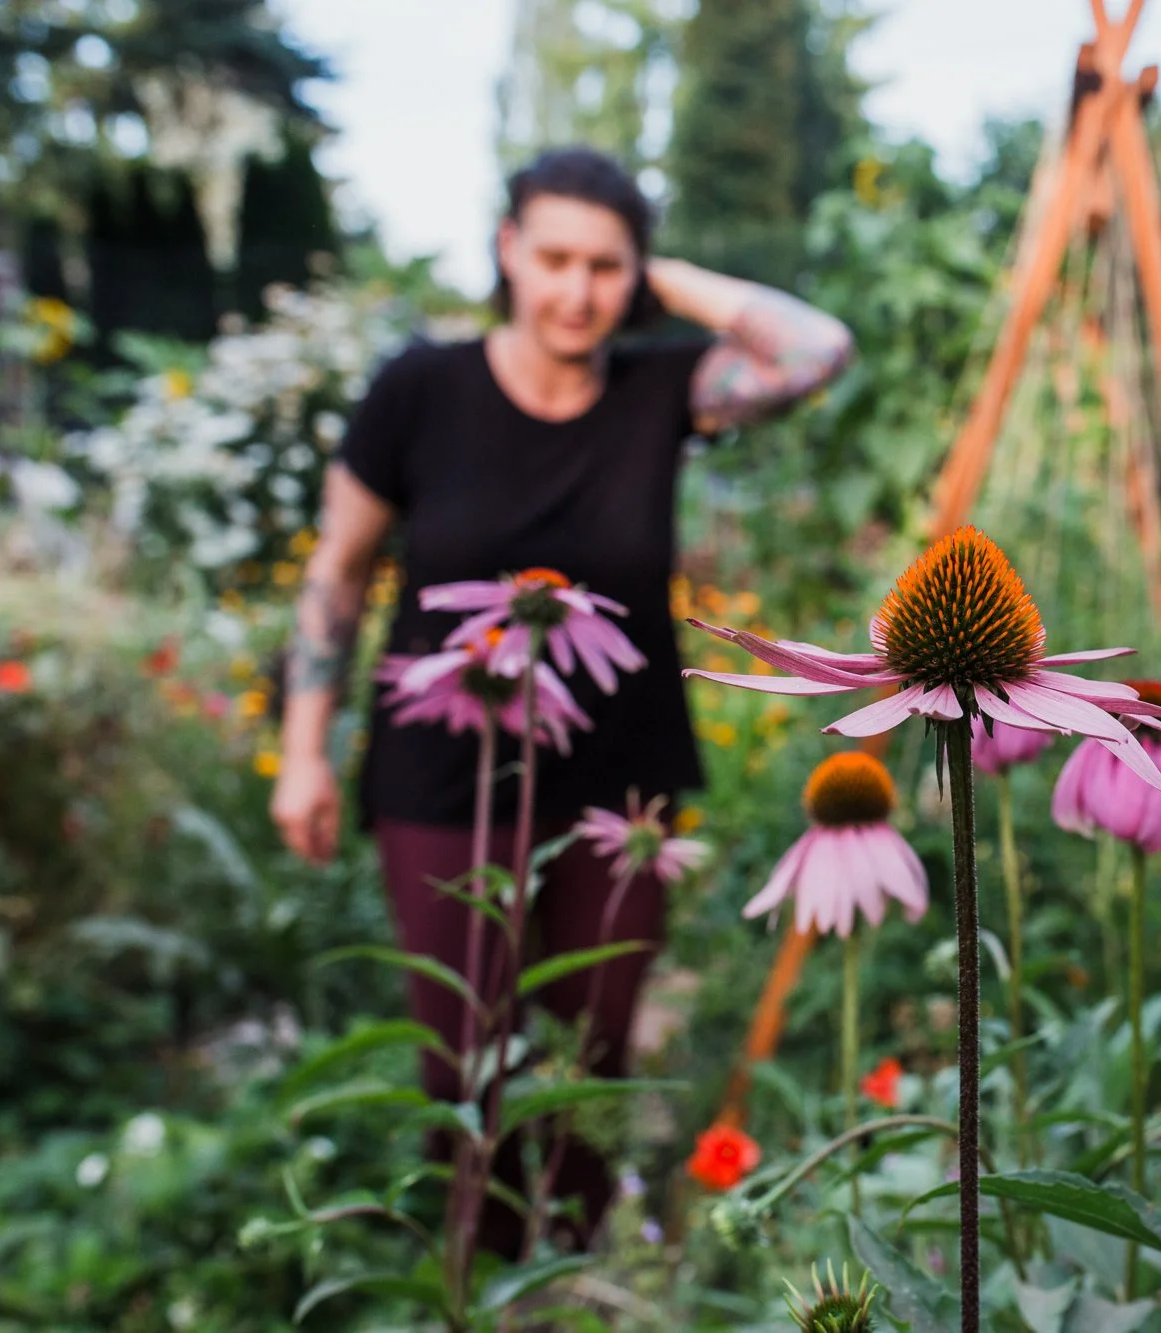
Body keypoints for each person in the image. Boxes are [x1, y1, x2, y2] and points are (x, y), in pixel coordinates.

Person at [269, 146, 853, 1253]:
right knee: (462, 1061)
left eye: (603, 265)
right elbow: (338, 572)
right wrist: (304, 750)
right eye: (553, 258)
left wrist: (660, 274)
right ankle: (476, 1272)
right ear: (505, 252)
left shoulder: (659, 388)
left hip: (617, 785)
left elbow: (818, 348)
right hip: (442, 773)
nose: (576, 291)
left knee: (592, 1054)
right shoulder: (417, 389)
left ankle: (567, 1266)